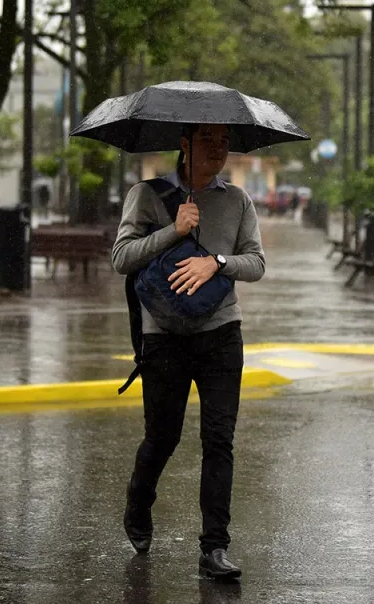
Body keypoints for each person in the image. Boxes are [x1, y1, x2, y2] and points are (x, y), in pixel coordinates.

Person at [111, 123, 265, 580]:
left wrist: (215, 261)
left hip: (221, 332)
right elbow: (121, 258)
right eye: (208, 140)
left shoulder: (237, 200)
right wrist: (173, 232)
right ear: (184, 144)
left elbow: (256, 262)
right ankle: (139, 499)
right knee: (163, 437)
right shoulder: (147, 194)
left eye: (224, 141)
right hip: (164, 336)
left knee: (219, 439)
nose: (219, 149)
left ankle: (214, 547)